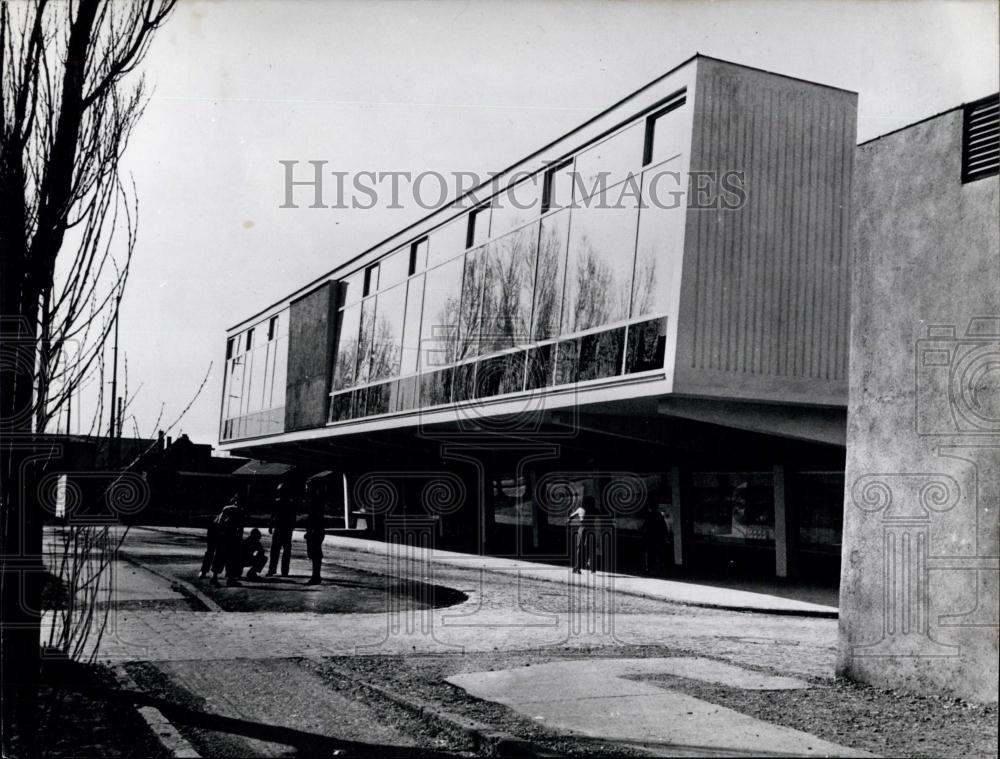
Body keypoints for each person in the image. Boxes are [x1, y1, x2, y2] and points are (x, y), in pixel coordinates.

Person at [207, 494, 244, 587]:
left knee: (219, 556)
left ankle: (214, 577)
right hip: (232, 536)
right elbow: (240, 527)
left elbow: (218, 522)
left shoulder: (226, 508)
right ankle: (230, 579)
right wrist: (239, 538)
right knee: (231, 559)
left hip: (222, 535)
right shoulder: (239, 510)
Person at [267, 482, 296, 577]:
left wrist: (271, 526)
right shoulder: (290, 503)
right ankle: (283, 571)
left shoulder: (279, 502)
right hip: (284, 529)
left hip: (281, 528)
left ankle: (273, 569)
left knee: (276, 550)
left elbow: (273, 516)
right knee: (284, 551)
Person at [303, 483, 325, 585]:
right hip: (315, 530)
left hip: (315, 530)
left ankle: (316, 577)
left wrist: (311, 531)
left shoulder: (315, 501)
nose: (306, 489)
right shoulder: (315, 499)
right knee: (314, 554)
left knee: (315, 554)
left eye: (308, 487)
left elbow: (315, 518)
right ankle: (316, 576)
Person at [570, 495, 596, 574]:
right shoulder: (595, 510)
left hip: (583, 529)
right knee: (591, 547)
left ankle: (578, 567)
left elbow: (570, 517)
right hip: (592, 529)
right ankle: (592, 566)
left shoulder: (580, 509)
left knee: (579, 548)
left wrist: (569, 522)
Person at [641, 503, 668, 576]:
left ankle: (648, 569)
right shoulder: (660, 516)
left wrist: (643, 533)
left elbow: (644, 526)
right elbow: (664, 527)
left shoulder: (649, 515)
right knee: (658, 554)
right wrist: (665, 536)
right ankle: (658, 570)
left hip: (650, 537)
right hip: (658, 537)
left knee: (650, 554)